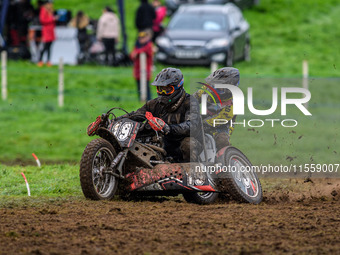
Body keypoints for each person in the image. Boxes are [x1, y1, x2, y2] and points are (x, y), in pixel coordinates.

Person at [125, 68, 202, 162]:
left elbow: (192, 125)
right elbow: (135, 116)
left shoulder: (190, 102)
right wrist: (113, 121)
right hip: (163, 143)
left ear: (178, 87)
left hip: (182, 143)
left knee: (188, 144)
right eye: (160, 89)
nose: (163, 93)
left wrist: (168, 128)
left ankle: (192, 174)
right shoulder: (153, 104)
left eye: (167, 89)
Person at [194, 67, 240, 151]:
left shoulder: (235, 102)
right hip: (204, 117)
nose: (214, 88)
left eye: (218, 86)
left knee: (222, 140)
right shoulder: (206, 89)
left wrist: (201, 124)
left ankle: (223, 161)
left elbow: (221, 119)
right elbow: (194, 99)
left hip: (222, 125)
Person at [130, 30, 153, 101]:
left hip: (146, 71)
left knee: (146, 86)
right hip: (137, 70)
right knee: (139, 86)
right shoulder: (137, 45)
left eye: (143, 38)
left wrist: (137, 52)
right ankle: (141, 100)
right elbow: (131, 55)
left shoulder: (149, 45)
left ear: (147, 38)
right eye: (140, 38)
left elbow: (147, 50)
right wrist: (135, 53)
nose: (141, 39)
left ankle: (148, 100)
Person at [37, 0, 57, 67]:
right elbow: (42, 20)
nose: (51, 5)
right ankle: (40, 60)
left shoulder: (51, 10)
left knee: (49, 47)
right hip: (46, 31)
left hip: (51, 30)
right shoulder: (43, 10)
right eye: (50, 3)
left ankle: (48, 61)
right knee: (45, 46)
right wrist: (52, 19)